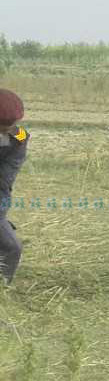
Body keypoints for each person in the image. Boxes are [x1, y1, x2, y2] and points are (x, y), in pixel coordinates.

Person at [0, 89, 27, 286]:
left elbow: (5, 179)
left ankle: (2, 288)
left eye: (11, 126)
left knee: (12, 247)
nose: (7, 131)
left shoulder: (19, 136)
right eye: (2, 127)